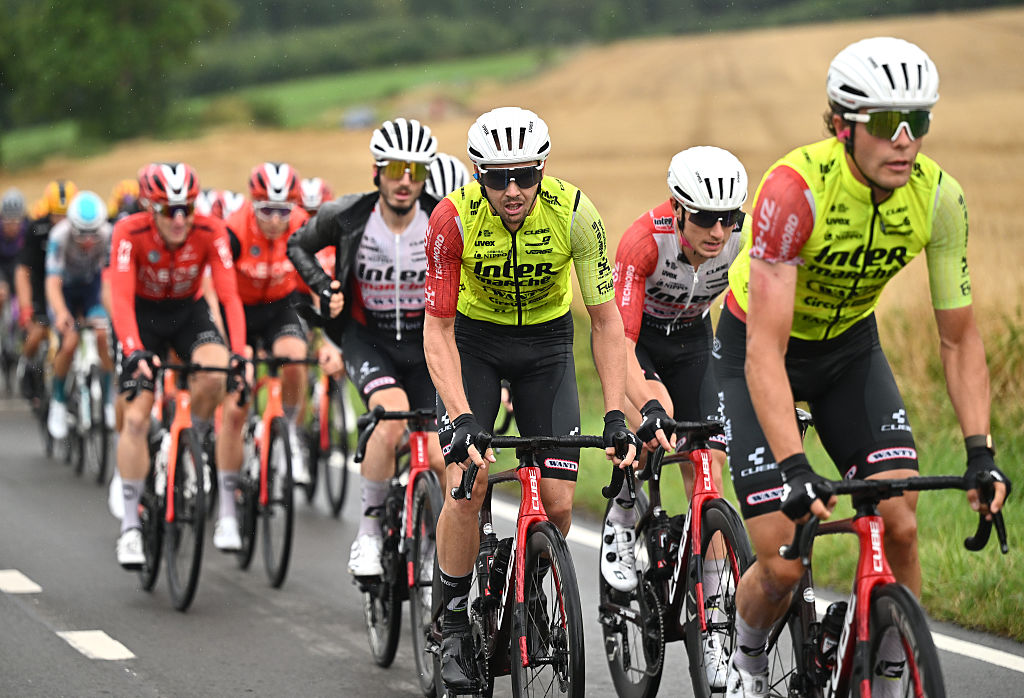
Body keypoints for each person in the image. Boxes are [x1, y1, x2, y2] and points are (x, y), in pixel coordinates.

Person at [716, 38, 1011, 698]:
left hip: (850, 353)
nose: (904, 141)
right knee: (784, 561)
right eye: (885, 123)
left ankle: (887, 663)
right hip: (758, 354)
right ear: (843, 124)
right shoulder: (795, 194)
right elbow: (765, 350)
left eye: (920, 122)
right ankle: (748, 656)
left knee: (901, 520)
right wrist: (796, 468)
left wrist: (980, 451)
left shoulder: (938, 198)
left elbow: (960, 340)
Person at [422, 106, 639, 692]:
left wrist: (615, 412)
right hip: (475, 342)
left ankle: (530, 590)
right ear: (477, 175)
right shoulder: (452, 218)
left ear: (542, 170)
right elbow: (437, 330)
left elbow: (605, 320)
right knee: (466, 484)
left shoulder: (574, 211)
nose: (512, 190)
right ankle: (452, 624)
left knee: (562, 504)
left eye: (524, 175)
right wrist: (463, 416)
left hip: (546, 348)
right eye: (496, 177)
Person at [602, 145, 749, 687]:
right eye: (706, 218)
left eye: (729, 218)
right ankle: (621, 512)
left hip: (691, 344)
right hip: (638, 345)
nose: (719, 231)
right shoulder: (644, 243)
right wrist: (648, 407)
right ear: (679, 210)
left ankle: (713, 632)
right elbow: (619, 345)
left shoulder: (743, 240)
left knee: (707, 465)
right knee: (651, 423)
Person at [288, 117, 447, 577]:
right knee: (393, 418)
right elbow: (298, 245)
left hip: (425, 346)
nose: (404, 180)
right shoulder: (348, 215)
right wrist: (323, 287)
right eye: (396, 168)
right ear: (377, 170)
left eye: (416, 171)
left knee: (439, 454)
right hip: (367, 339)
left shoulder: (442, 218)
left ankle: (442, 548)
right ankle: (370, 532)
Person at [109, 162, 247, 569]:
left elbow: (229, 297)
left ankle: (195, 442)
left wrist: (238, 352)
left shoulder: (209, 231)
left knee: (218, 370)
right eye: (170, 210)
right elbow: (118, 299)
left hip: (188, 313)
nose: (180, 219)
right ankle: (131, 527)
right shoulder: (128, 232)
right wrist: (133, 349)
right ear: (151, 209)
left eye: (186, 208)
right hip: (142, 316)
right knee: (135, 418)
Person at [217, 162, 312, 550]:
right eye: (266, 211)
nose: (275, 220)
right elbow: (221, 289)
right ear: (252, 204)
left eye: (283, 211)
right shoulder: (235, 229)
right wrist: (238, 350)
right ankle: (225, 511)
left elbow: (314, 276)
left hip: (277, 308)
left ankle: (288, 433)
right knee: (237, 405)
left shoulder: (302, 225)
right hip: (237, 307)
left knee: (296, 358)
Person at [44, 191, 115, 438]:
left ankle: (108, 401)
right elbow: (52, 283)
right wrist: (62, 312)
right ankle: (58, 401)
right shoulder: (59, 236)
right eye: (81, 235)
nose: (87, 241)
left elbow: (108, 282)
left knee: (103, 335)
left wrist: (111, 315)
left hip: (91, 288)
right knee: (70, 339)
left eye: (92, 235)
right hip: (64, 288)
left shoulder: (108, 235)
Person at [16, 179, 78, 402]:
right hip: (42, 286)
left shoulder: (80, 229)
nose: (61, 221)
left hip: (69, 286)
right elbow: (23, 271)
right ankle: (28, 366)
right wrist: (25, 308)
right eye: (56, 215)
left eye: (66, 215)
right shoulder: (37, 229)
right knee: (38, 333)